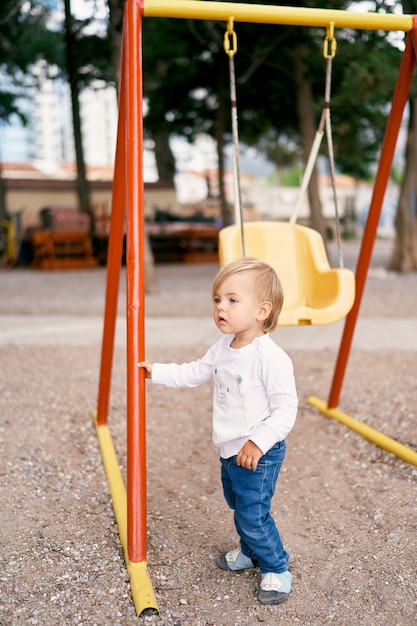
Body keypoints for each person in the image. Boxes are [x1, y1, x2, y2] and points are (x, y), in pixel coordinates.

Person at [138, 257, 298, 605]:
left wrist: (258, 442)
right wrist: (158, 372)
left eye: (232, 300)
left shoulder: (269, 357)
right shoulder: (223, 348)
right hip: (229, 450)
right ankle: (250, 551)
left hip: (259, 452)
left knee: (253, 513)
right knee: (238, 505)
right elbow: (194, 372)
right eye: (217, 300)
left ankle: (276, 566)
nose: (220, 307)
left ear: (262, 311)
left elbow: (286, 410)